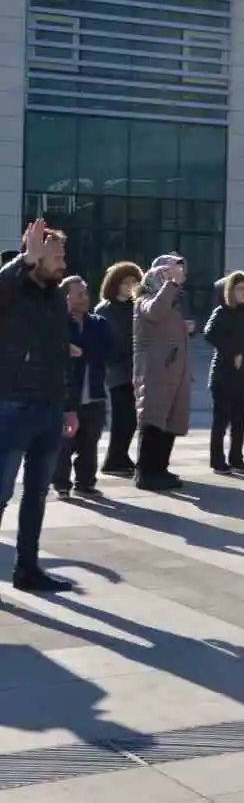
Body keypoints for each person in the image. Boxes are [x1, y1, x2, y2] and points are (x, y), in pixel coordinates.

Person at [0, 221, 79, 594]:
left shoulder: (54, 297)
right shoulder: (13, 290)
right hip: (11, 407)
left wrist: (68, 406)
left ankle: (27, 569)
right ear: (37, 257)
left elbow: (60, 354)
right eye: (57, 257)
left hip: (49, 408)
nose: (63, 263)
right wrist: (23, 261)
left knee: (36, 495)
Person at [132, 254, 191, 492]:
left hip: (174, 369)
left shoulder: (175, 300)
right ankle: (146, 472)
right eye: (171, 273)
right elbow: (155, 311)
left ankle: (160, 469)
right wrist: (170, 285)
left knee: (170, 421)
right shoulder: (145, 299)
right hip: (155, 371)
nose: (178, 277)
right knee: (153, 419)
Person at [52, 275, 113, 499]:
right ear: (65, 297)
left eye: (86, 293)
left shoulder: (98, 323)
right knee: (64, 443)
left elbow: (109, 351)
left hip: (94, 392)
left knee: (90, 441)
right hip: (65, 393)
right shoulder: (55, 324)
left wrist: (80, 350)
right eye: (79, 294)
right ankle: (61, 483)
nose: (84, 298)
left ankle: (86, 482)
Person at [203, 271, 244, 476]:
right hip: (223, 374)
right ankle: (217, 460)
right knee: (221, 420)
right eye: (239, 288)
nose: (243, 292)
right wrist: (233, 352)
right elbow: (209, 333)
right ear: (230, 291)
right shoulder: (222, 311)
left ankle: (236, 459)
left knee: (240, 419)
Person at [96, 262, 141, 478]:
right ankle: (114, 458)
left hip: (135, 370)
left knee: (131, 419)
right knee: (123, 417)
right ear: (116, 284)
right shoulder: (106, 309)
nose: (131, 286)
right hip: (117, 371)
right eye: (126, 282)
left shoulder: (136, 306)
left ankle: (120, 455)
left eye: (134, 281)